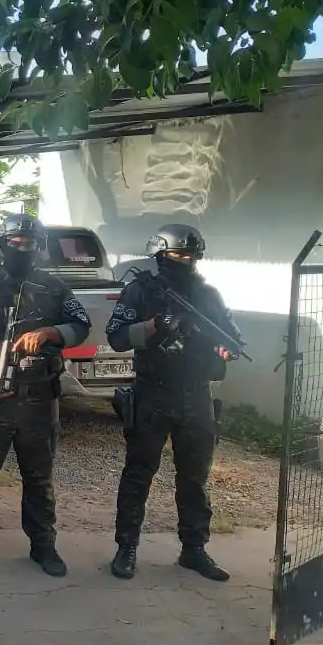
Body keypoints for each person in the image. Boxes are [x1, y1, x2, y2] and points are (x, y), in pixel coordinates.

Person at [0, 213, 91, 577]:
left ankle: (43, 546)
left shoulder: (55, 288)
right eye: (15, 243)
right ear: (1, 246)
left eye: (29, 244)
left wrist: (50, 333)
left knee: (39, 478)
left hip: (39, 400)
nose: (23, 249)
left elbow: (81, 326)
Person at [105, 223, 242, 582]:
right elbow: (117, 338)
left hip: (196, 394)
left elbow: (229, 333)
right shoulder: (140, 291)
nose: (186, 260)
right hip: (153, 391)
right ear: (161, 255)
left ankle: (194, 549)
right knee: (138, 475)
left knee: (194, 479)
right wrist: (153, 326)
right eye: (179, 254)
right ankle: (126, 548)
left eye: (191, 255)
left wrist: (227, 349)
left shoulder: (208, 294)